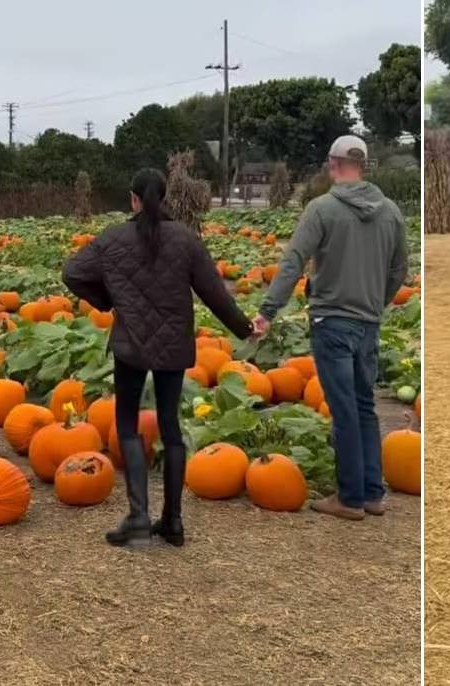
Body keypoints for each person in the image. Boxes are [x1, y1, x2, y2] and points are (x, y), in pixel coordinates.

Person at [63, 168, 253, 548]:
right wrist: (245, 329)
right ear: (162, 199)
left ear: (133, 198)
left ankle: (137, 517)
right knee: (171, 427)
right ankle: (173, 521)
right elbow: (215, 294)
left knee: (129, 426)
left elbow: (72, 273)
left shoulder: (113, 238)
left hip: (131, 344)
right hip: (173, 345)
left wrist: (108, 299)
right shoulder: (185, 239)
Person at [255, 134, 409, 522]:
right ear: (364, 164)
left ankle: (350, 498)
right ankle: (373, 493)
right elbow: (399, 270)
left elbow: (293, 261)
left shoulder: (321, 209)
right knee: (364, 405)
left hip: (332, 321)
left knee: (343, 411)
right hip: (369, 324)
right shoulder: (390, 211)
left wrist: (268, 310)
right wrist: (379, 301)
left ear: (332, 164)